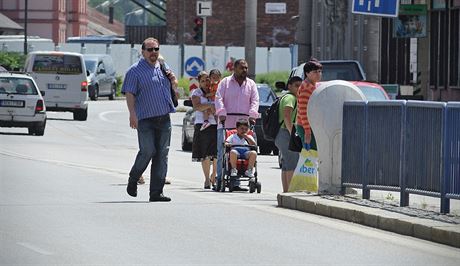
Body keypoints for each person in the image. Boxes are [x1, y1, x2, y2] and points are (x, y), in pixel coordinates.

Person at [122, 37, 177, 202]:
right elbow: (130, 93)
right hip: (145, 119)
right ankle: (134, 178)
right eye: (150, 49)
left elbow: (172, 84)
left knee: (162, 155)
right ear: (143, 51)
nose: (153, 53)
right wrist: (132, 114)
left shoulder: (162, 67)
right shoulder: (134, 71)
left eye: (156, 49)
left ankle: (156, 193)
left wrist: (173, 82)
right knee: (147, 151)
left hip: (164, 117)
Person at [215, 59, 259, 191]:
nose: (244, 70)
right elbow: (218, 98)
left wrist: (252, 115)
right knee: (223, 152)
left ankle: (238, 182)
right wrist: (222, 112)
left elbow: (255, 100)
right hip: (226, 123)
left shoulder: (251, 84)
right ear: (234, 68)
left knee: (244, 151)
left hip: (244, 125)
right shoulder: (225, 83)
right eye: (241, 68)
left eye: (246, 68)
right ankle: (220, 179)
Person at [274, 76, 302, 192]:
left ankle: (286, 191)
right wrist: (292, 134)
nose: (299, 88)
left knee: (286, 164)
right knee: (292, 162)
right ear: (289, 86)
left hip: (280, 134)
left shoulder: (285, 96)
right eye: (296, 85)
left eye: (301, 86)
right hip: (285, 132)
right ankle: (290, 192)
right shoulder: (290, 98)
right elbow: (287, 116)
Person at [191, 71, 218, 189]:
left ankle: (215, 175)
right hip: (202, 125)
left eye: (207, 79)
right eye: (202, 81)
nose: (206, 82)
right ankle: (207, 179)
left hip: (216, 124)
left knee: (217, 153)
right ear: (199, 83)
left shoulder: (216, 90)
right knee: (205, 154)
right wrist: (209, 106)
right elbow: (197, 106)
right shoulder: (196, 93)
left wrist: (214, 108)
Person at [296, 58, 322, 151]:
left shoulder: (315, 85)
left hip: (312, 125)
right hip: (306, 126)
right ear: (307, 73)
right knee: (311, 156)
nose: (318, 74)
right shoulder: (306, 88)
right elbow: (303, 111)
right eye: (315, 72)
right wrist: (307, 132)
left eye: (319, 71)